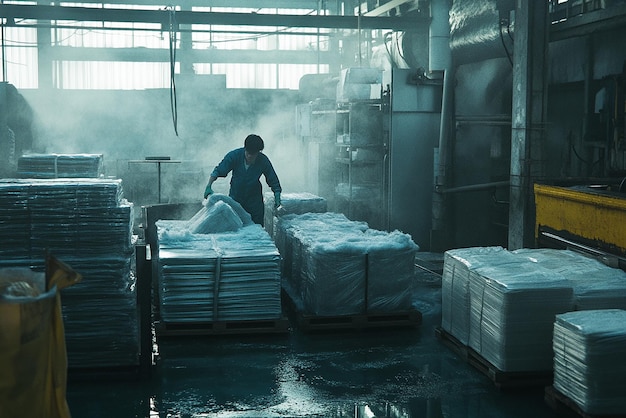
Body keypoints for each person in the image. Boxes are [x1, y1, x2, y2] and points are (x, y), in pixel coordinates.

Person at [203, 134, 282, 225]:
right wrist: (209, 185)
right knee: (235, 225)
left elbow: (273, 180)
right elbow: (218, 170)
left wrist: (277, 195)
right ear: (245, 148)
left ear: (258, 152)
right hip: (236, 198)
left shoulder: (263, 160)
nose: (249, 156)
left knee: (255, 228)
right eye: (248, 153)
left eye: (253, 154)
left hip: (254, 202)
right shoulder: (234, 156)